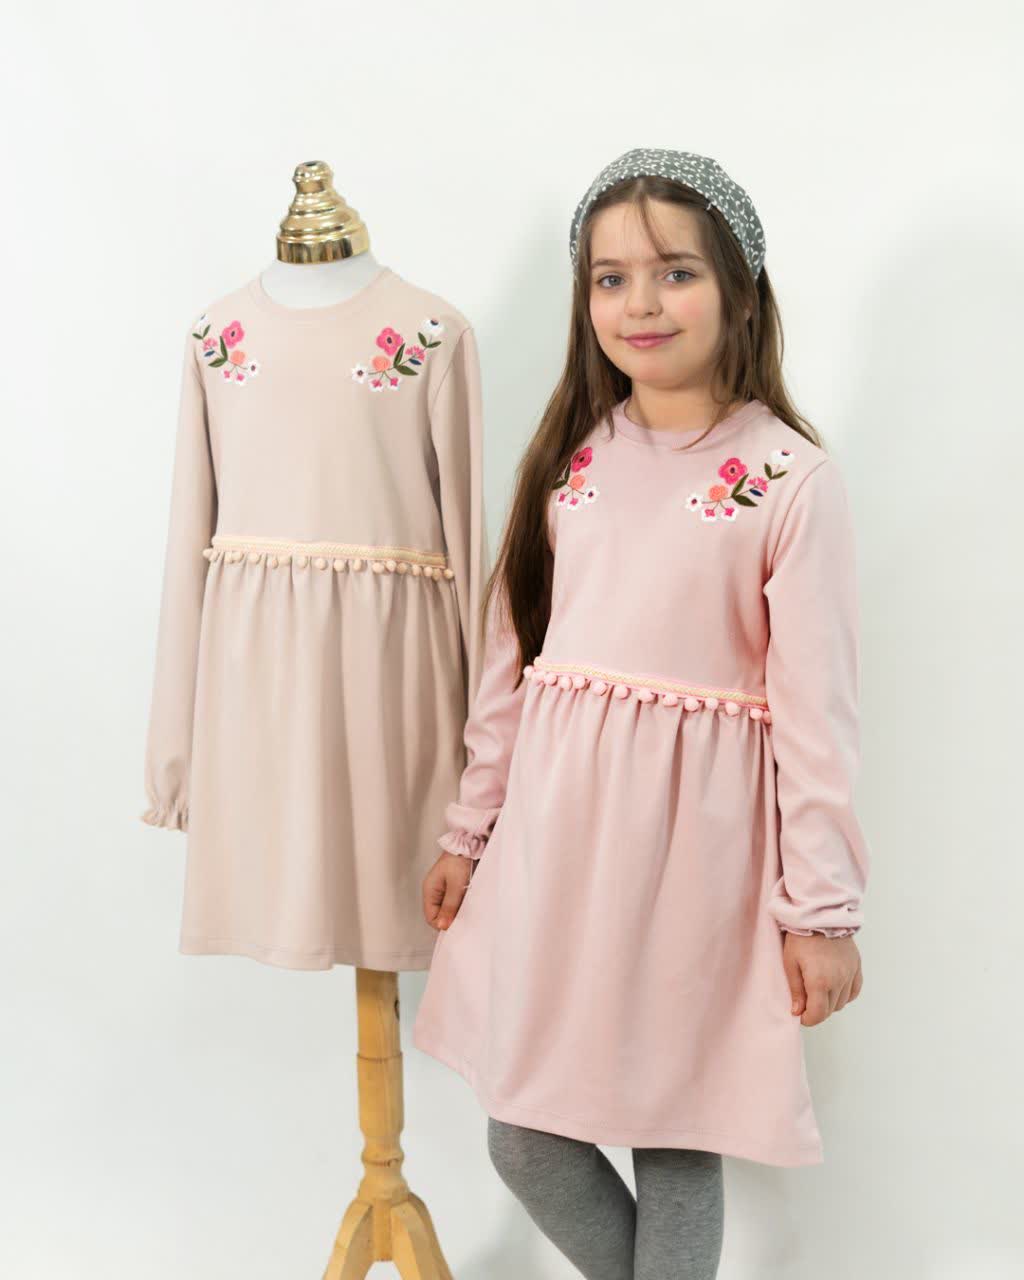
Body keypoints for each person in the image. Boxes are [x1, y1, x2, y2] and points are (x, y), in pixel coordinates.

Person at [412, 148, 871, 1280]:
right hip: (555, 846)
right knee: (526, 1130)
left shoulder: (786, 479)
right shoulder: (570, 457)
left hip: (694, 861)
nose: (640, 304)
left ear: (740, 290)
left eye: (675, 273)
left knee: (672, 1133)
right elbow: (511, 662)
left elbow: (817, 719)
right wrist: (472, 830)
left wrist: (821, 911)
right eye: (610, 279)